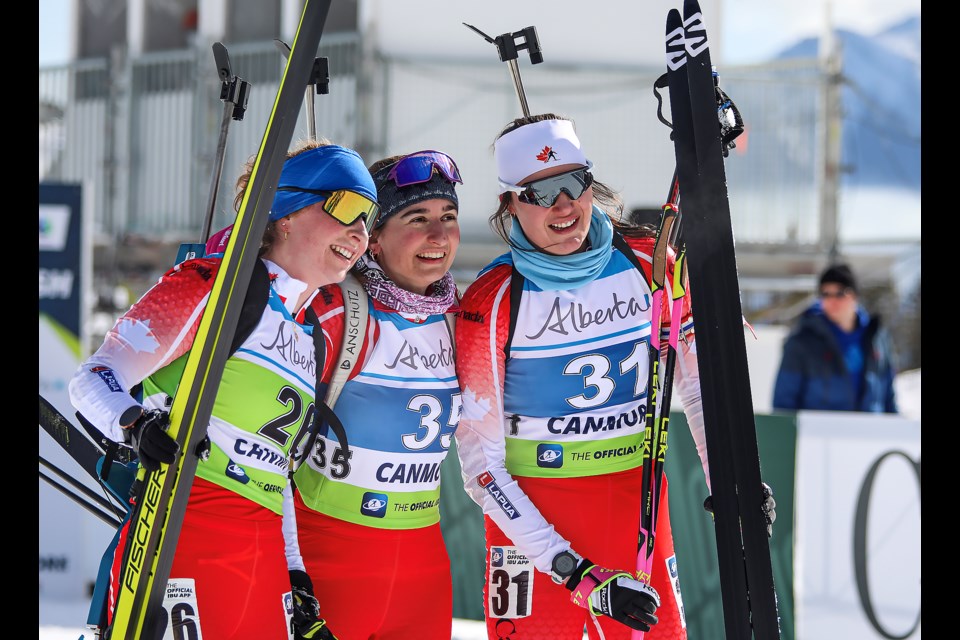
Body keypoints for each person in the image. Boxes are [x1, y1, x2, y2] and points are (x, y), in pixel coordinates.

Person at [453, 114, 776, 640]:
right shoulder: (491, 302)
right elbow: (481, 470)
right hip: (531, 536)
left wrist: (729, 480)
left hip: (637, 515)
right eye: (540, 193)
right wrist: (570, 570)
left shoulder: (651, 264)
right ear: (510, 203)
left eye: (574, 183)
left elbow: (695, 387)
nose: (564, 205)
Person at [68, 139, 379, 639]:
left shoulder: (311, 335)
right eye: (345, 207)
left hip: (262, 563)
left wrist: (296, 576)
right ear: (286, 212)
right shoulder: (216, 285)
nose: (360, 231)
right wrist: (134, 425)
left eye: (369, 217)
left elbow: (277, 478)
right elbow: (93, 379)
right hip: (184, 536)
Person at [292, 150, 463, 639]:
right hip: (328, 555)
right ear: (374, 240)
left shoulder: (462, 318)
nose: (438, 236)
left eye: (448, 218)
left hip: (422, 566)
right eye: (417, 219)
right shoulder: (335, 309)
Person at [773, 262, 899, 413]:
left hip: (869, 433)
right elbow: (783, 402)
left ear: (854, 296)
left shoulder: (877, 338)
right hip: (820, 434)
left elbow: (888, 396)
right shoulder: (801, 342)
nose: (832, 301)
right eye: (825, 294)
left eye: (840, 293)